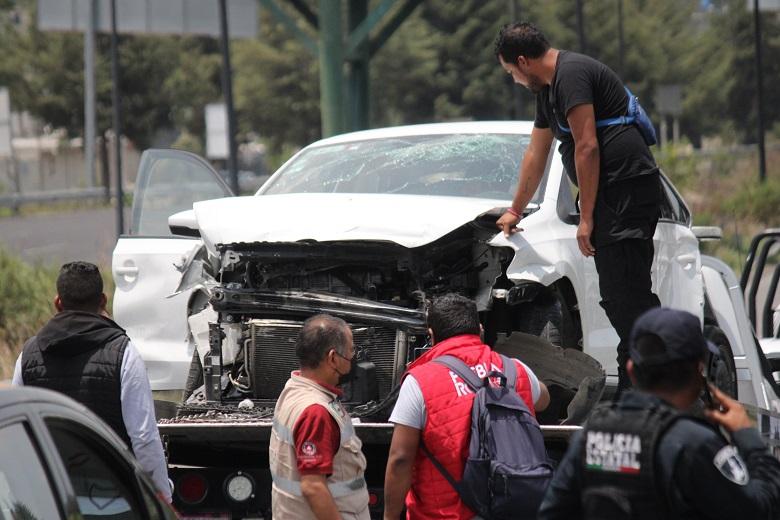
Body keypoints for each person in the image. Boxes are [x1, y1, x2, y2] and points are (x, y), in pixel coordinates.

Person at [493, 22, 662, 394]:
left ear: (523, 61)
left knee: (626, 295)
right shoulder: (549, 91)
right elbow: (536, 155)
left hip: (626, 193)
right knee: (621, 297)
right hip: (612, 197)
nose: (515, 82)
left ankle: (649, 387)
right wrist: (515, 211)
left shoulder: (571, 75)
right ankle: (644, 383)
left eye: (511, 74)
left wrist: (586, 217)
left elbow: (587, 146)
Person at [538, 307, 780, 519]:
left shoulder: (591, 436)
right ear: (699, 371)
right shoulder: (693, 443)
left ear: (631, 371)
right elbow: (759, 509)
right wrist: (747, 437)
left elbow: (552, 512)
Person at [11, 261, 171, 502]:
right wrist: (162, 497)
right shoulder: (124, 353)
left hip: (55, 501)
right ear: (103, 301)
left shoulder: (28, 355)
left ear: (57, 302)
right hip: (113, 502)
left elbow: (19, 436)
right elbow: (144, 438)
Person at [383, 293, 551, 520]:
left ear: (431, 336)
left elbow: (401, 458)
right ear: (480, 330)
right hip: (513, 510)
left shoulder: (420, 381)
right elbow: (544, 400)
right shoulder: (515, 369)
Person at [269, 314, 370, 520]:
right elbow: (313, 487)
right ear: (333, 358)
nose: (354, 357)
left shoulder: (294, 389)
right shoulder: (316, 411)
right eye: (351, 351)